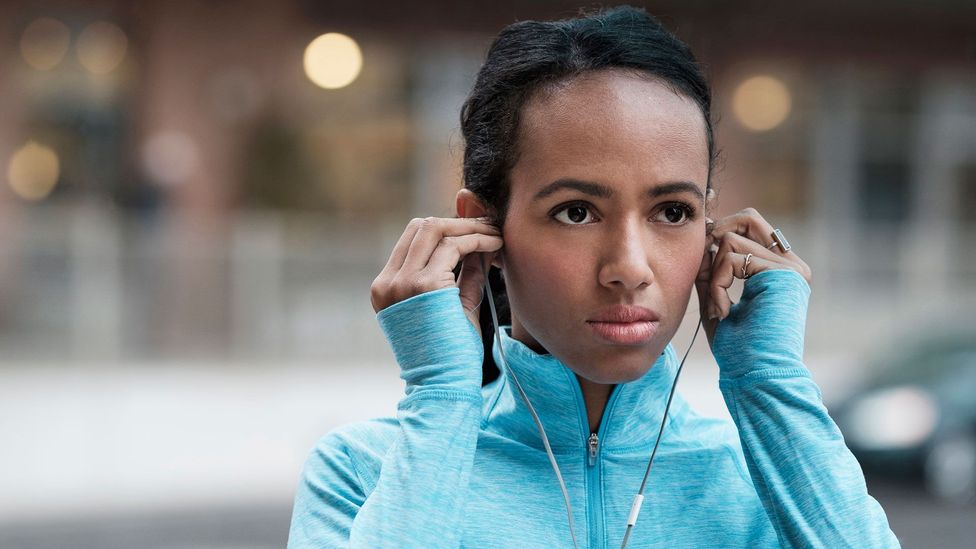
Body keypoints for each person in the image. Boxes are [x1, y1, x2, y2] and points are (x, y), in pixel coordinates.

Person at [287, 5, 900, 548]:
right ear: (484, 228)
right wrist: (442, 397)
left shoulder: (770, 480)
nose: (630, 268)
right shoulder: (364, 472)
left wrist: (768, 383)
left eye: (672, 212)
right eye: (576, 212)